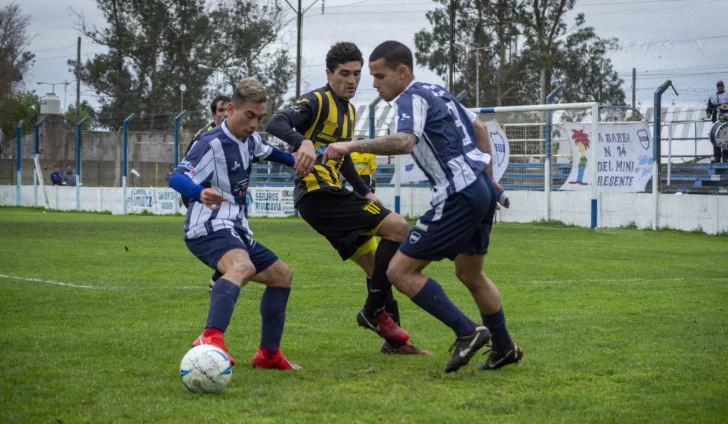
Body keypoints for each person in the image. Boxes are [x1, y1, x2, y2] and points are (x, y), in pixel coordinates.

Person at [323, 40, 522, 373]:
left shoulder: (409, 97)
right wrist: (489, 178)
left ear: (402, 72)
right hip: (479, 188)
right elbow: (480, 129)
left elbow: (404, 142)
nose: (374, 84)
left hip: (457, 194)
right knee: (470, 274)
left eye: (379, 75)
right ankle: (503, 347)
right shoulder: (437, 91)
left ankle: (468, 331)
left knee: (399, 271)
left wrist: (349, 145)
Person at [266, 42, 428, 355]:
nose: (351, 81)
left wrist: (364, 191)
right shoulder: (316, 100)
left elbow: (345, 158)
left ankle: (395, 342)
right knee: (397, 227)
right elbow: (276, 122)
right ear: (329, 74)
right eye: (344, 74)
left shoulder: (349, 110)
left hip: (327, 197)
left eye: (356, 74)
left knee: (377, 267)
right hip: (319, 192)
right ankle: (371, 311)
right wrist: (304, 143)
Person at [169, 77, 301, 370]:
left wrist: (301, 159)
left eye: (260, 118)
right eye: (249, 116)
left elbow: (272, 152)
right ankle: (210, 338)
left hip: (236, 229)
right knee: (242, 267)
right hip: (208, 226)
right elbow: (177, 177)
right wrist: (199, 192)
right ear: (230, 109)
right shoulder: (210, 143)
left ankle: (268, 355)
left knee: (282, 275)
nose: (254, 124)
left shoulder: (250, 139)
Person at [706, 81, 728, 163]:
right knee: (715, 137)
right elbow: (709, 107)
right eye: (718, 86)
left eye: (721, 86)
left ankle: (726, 158)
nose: (719, 87)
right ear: (716, 87)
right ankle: (717, 157)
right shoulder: (712, 96)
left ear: (723, 86)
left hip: (725, 120)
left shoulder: (727, 94)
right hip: (716, 119)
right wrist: (708, 113)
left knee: (725, 138)